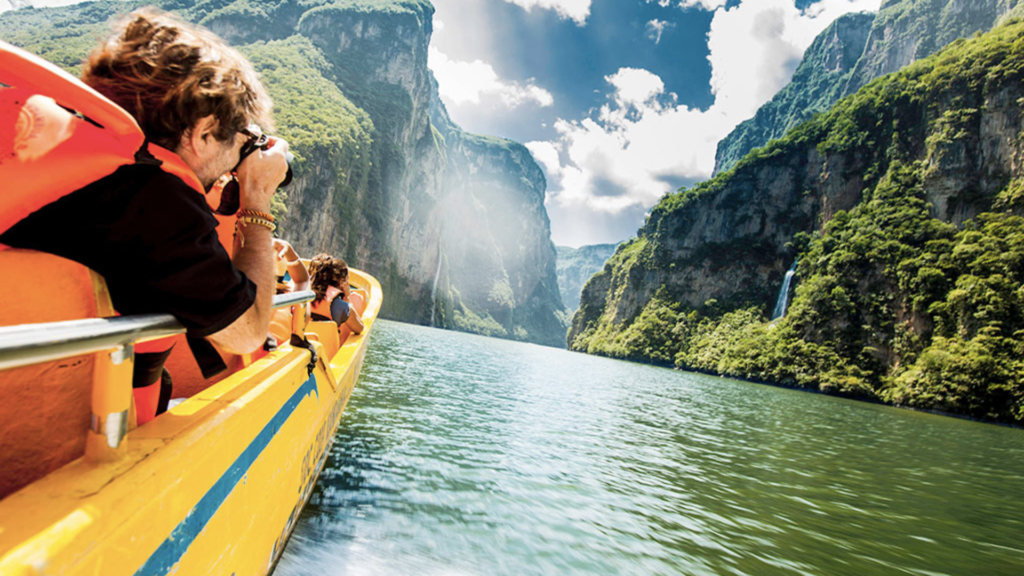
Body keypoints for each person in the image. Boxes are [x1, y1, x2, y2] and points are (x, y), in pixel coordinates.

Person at [0, 9, 289, 423]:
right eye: (245, 139)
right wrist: (258, 199)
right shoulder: (154, 199)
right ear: (204, 131)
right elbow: (247, 334)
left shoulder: (77, 158)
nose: (241, 156)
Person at [307, 253, 364, 336]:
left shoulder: (302, 296)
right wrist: (347, 297)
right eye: (347, 280)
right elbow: (359, 328)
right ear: (342, 282)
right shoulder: (343, 307)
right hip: (325, 347)